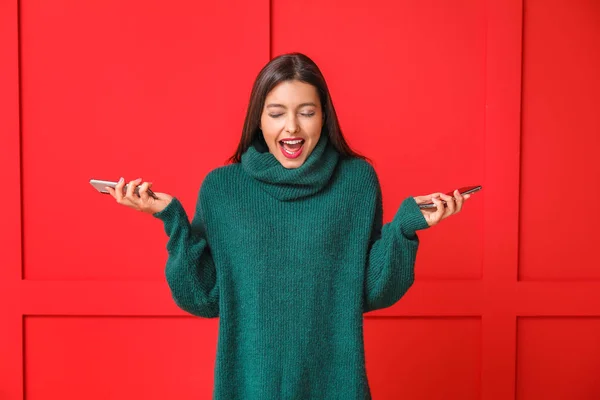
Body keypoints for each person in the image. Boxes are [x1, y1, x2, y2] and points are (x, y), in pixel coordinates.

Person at [106, 52, 470, 399]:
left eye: (306, 112)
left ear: (324, 116)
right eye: (277, 113)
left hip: (334, 386)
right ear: (258, 119)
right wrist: (171, 216)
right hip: (248, 389)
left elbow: (370, 291)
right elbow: (203, 298)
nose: (292, 127)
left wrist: (404, 229)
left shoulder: (356, 182)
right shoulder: (221, 189)